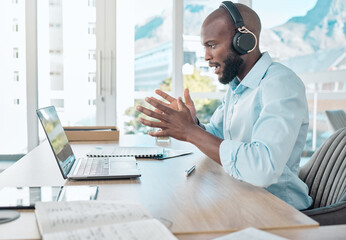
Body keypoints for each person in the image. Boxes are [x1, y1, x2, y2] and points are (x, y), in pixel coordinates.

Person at [136, 1, 312, 210]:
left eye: (212, 45)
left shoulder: (280, 84)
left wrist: (191, 132)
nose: (206, 57)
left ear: (244, 41)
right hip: (242, 201)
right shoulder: (237, 88)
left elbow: (262, 168)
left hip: (280, 212)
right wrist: (194, 125)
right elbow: (217, 135)